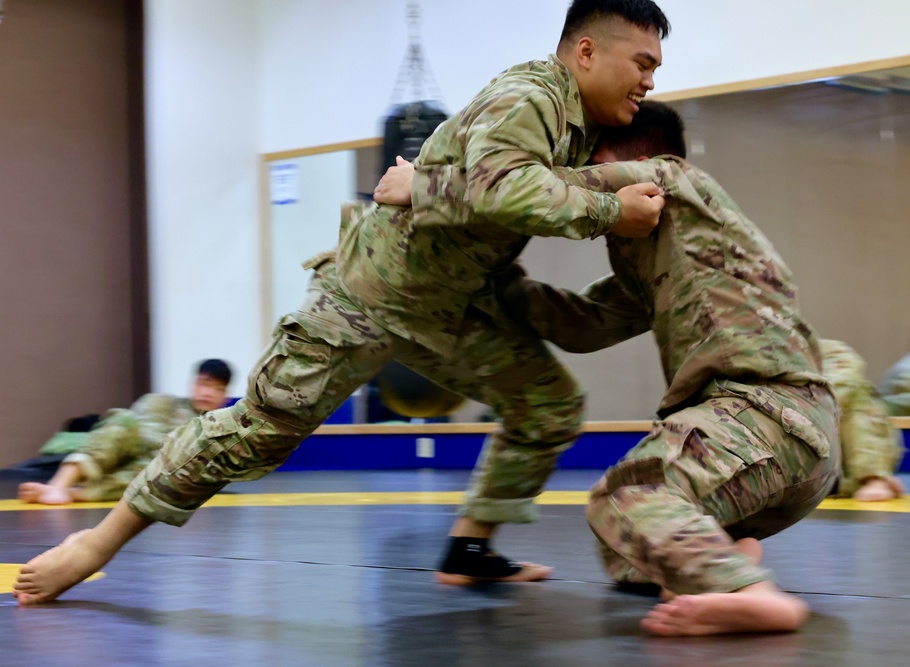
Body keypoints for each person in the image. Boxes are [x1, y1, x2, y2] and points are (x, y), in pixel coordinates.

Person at [13, 0, 671, 604]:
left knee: (548, 403)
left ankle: (472, 547)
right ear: (585, 51)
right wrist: (610, 209)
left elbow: (498, 187)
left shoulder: (580, 126)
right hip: (368, 294)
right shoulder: (528, 98)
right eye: (641, 63)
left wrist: (427, 181)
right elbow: (507, 189)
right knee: (254, 433)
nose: (649, 81)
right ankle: (94, 542)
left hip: (449, 309)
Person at [489, 101, 839, 635]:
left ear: (619, 155)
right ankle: (727, 556)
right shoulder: (666, 250)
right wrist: (499, 282)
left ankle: (755, 594)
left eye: (592, 153)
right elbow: (582, 324)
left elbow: (538, 186)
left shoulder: (671, 179)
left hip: (764, 414)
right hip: (792, 449)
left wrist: (424, 187)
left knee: (628, 495)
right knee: (627, 551)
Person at [16, 360, 232, 505]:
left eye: (218, 389)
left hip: (149, 470)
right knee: (123, 419)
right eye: (206, 384)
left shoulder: (218, 429)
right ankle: (57, 485)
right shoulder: (161, 403)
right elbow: (127, 428)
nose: (209, 393)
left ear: (224, 396)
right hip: (124, 449)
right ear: (194, 385)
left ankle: (70, 494)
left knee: (168, 471)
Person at [819, 340, 905, 501]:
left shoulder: (819, 348)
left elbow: (841, 387)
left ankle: (872, 476)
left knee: (856, 393)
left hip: (841, 454)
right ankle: (844, 485)